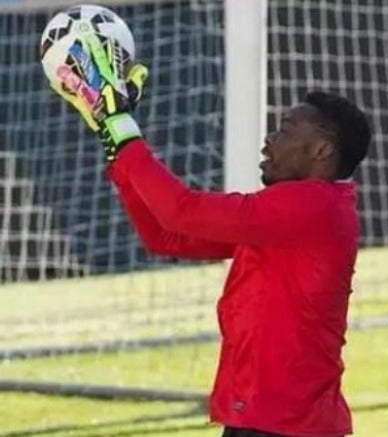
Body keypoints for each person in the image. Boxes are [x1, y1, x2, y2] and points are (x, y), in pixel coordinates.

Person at [49, 32, 371, 437]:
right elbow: (167, 235)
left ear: (322, 150)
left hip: (289, 426)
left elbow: (179, 209)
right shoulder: (293, 214)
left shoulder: (312, 207)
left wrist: (123, 130)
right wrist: (116, 148)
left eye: (285, 130)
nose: (270, 140)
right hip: (259, 420)